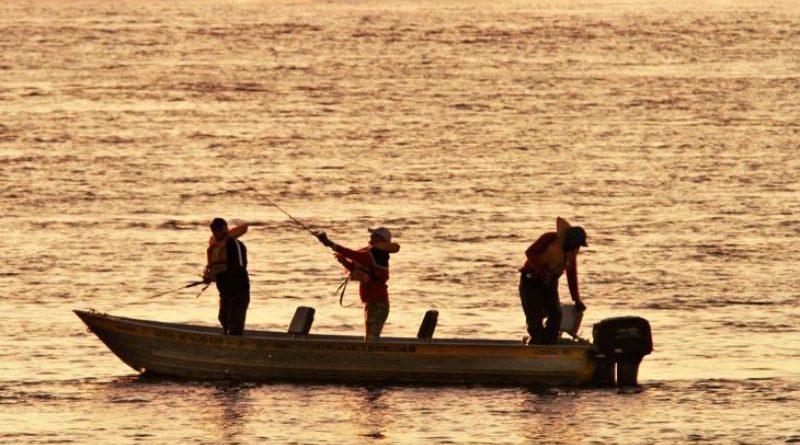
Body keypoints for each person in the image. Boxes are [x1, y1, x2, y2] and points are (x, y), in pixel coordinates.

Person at [316, 227, 399, 341]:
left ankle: (371, 358)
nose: (371, 237)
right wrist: (345, 262)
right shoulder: (372, 255)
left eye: (374, 235)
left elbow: (353, 254)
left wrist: (330, 243)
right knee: (370, 339)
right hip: (372, 304)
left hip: (378, 304)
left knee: (371, 340)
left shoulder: (376, 256)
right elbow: (357, 266)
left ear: (381, 239)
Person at [519, 217, 587, 345]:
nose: (577, 248)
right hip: (530, 280)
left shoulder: (571, 253)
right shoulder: (549, 238)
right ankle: (536, 342)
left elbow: (571, 274)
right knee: (535, 316)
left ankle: (549, 341)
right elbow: (530, 252)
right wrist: (540, 271)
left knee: (556, 314)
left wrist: (576, 299)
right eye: (576, 244)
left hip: (550, 283)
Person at [203, 218, 250, 336]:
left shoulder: (235, 244)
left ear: (225, 228)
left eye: (217, 230)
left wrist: (219, 277)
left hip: (239, 292)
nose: (215, 233)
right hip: (225, 292)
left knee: (235, 325)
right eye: (213, 230)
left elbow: (239, 269)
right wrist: (210, 277)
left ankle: (235, 346)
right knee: (223, 319)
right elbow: (216, 269)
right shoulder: (215, 246)